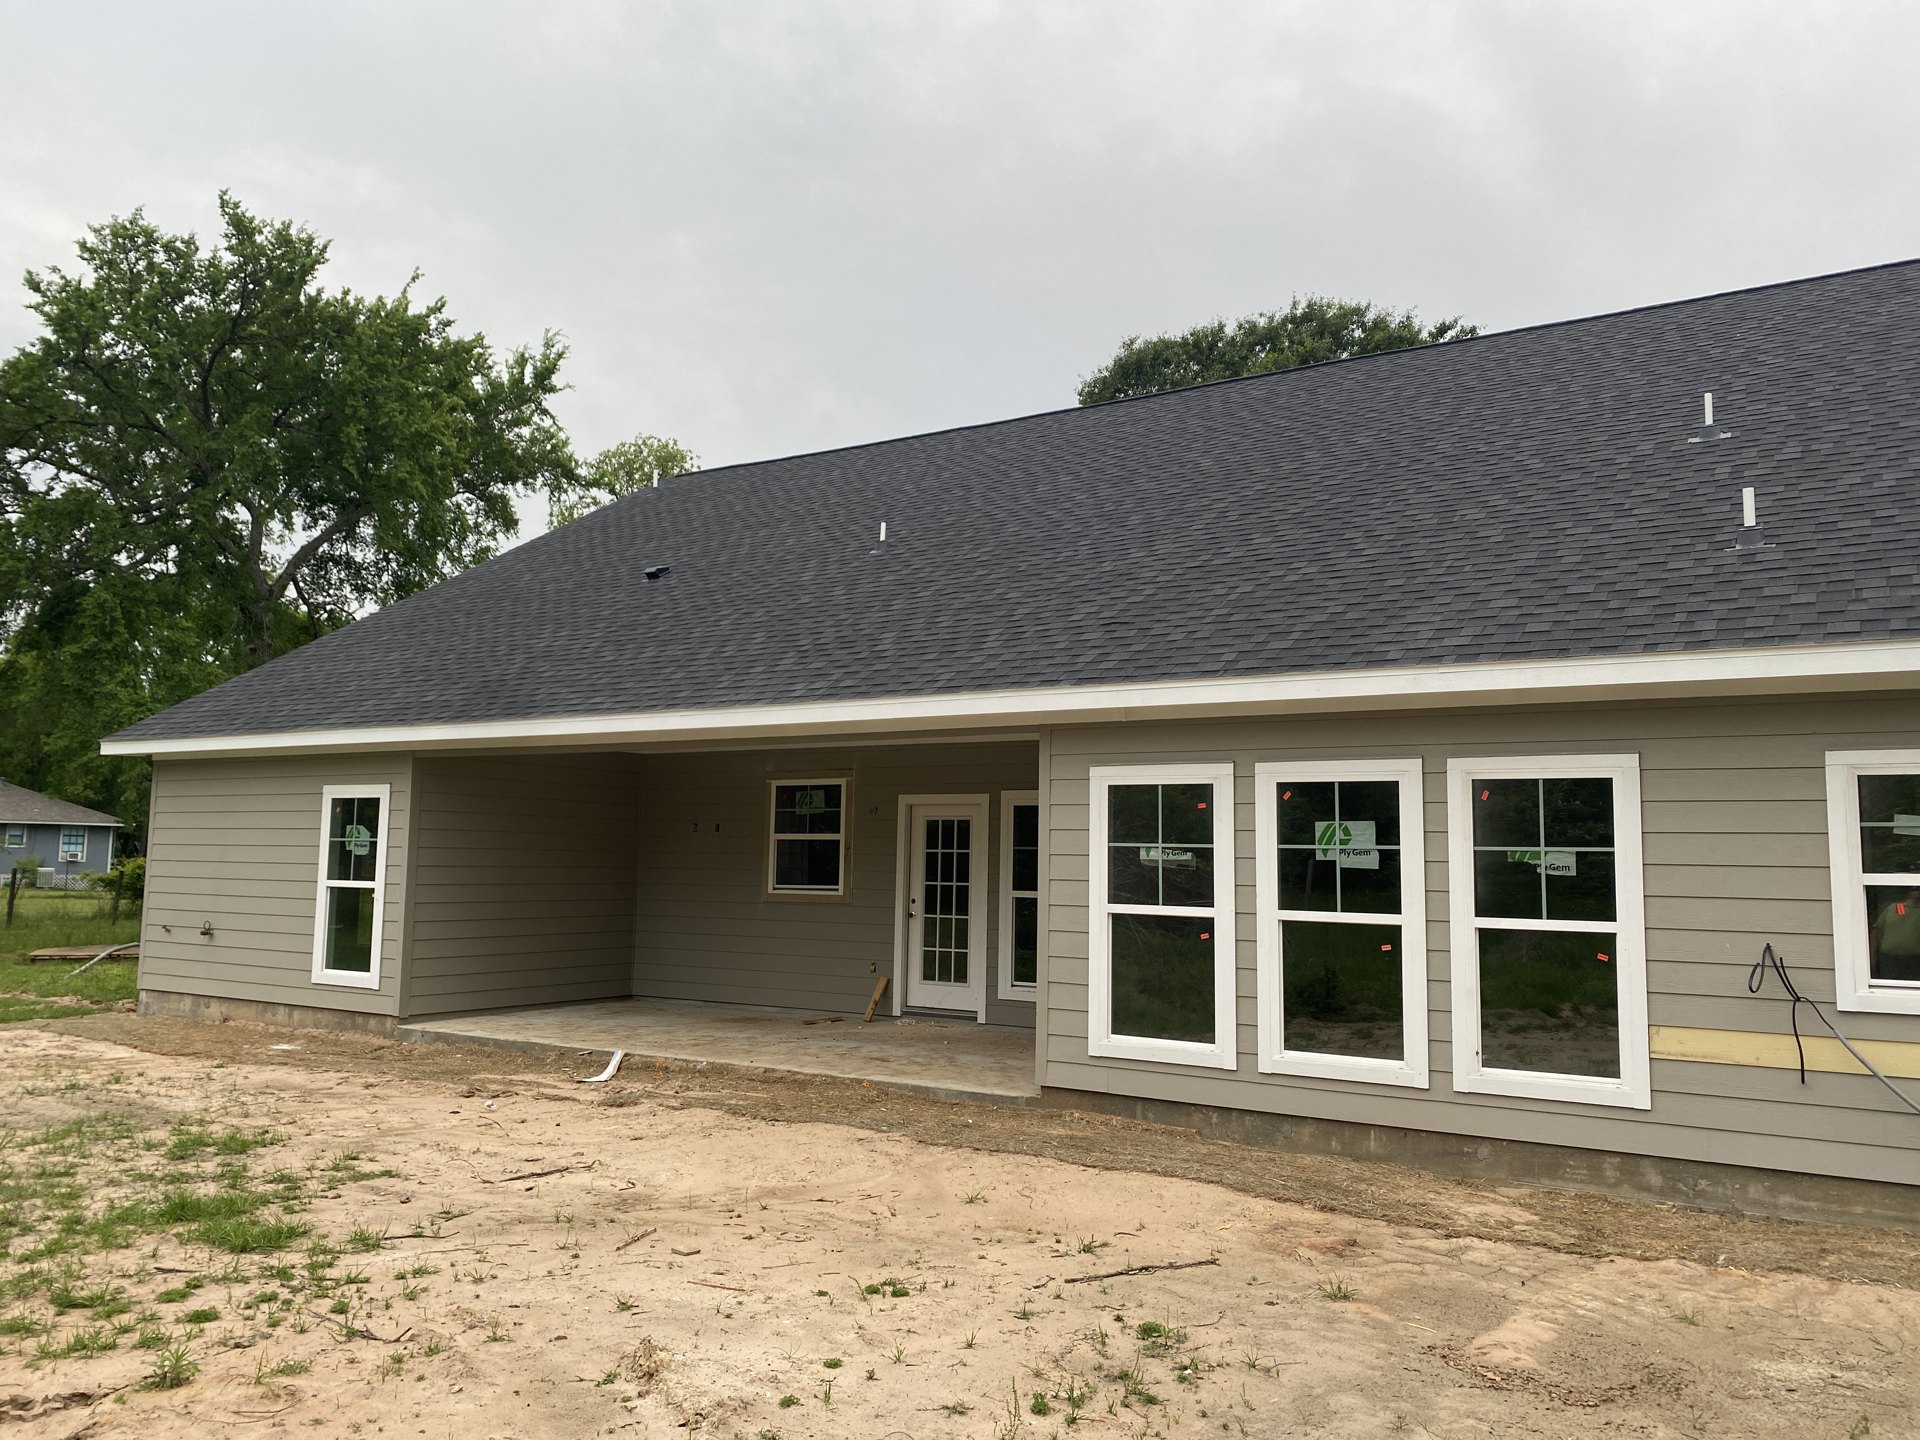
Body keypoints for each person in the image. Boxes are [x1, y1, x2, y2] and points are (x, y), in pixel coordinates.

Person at [1868, 887, 1920, 982]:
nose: (1917, 892)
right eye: (1914, 889)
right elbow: (1876, 932)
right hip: (1890, 961)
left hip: (1916, 961)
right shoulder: (1895, 908)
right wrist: (1872, 957)